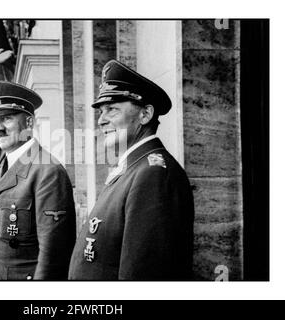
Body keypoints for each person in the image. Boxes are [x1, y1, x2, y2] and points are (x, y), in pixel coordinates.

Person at [68, 60, 195, 280]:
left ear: (145, 115)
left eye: (112, 110)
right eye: (101, 111)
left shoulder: (153, 174)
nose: (101, 120)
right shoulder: (134, 168)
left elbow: (143, 275)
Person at [0, 48, 76, 280]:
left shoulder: (48, 172)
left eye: (7, 118)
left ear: (29, 122)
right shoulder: (4, 156)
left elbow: (53, 255)